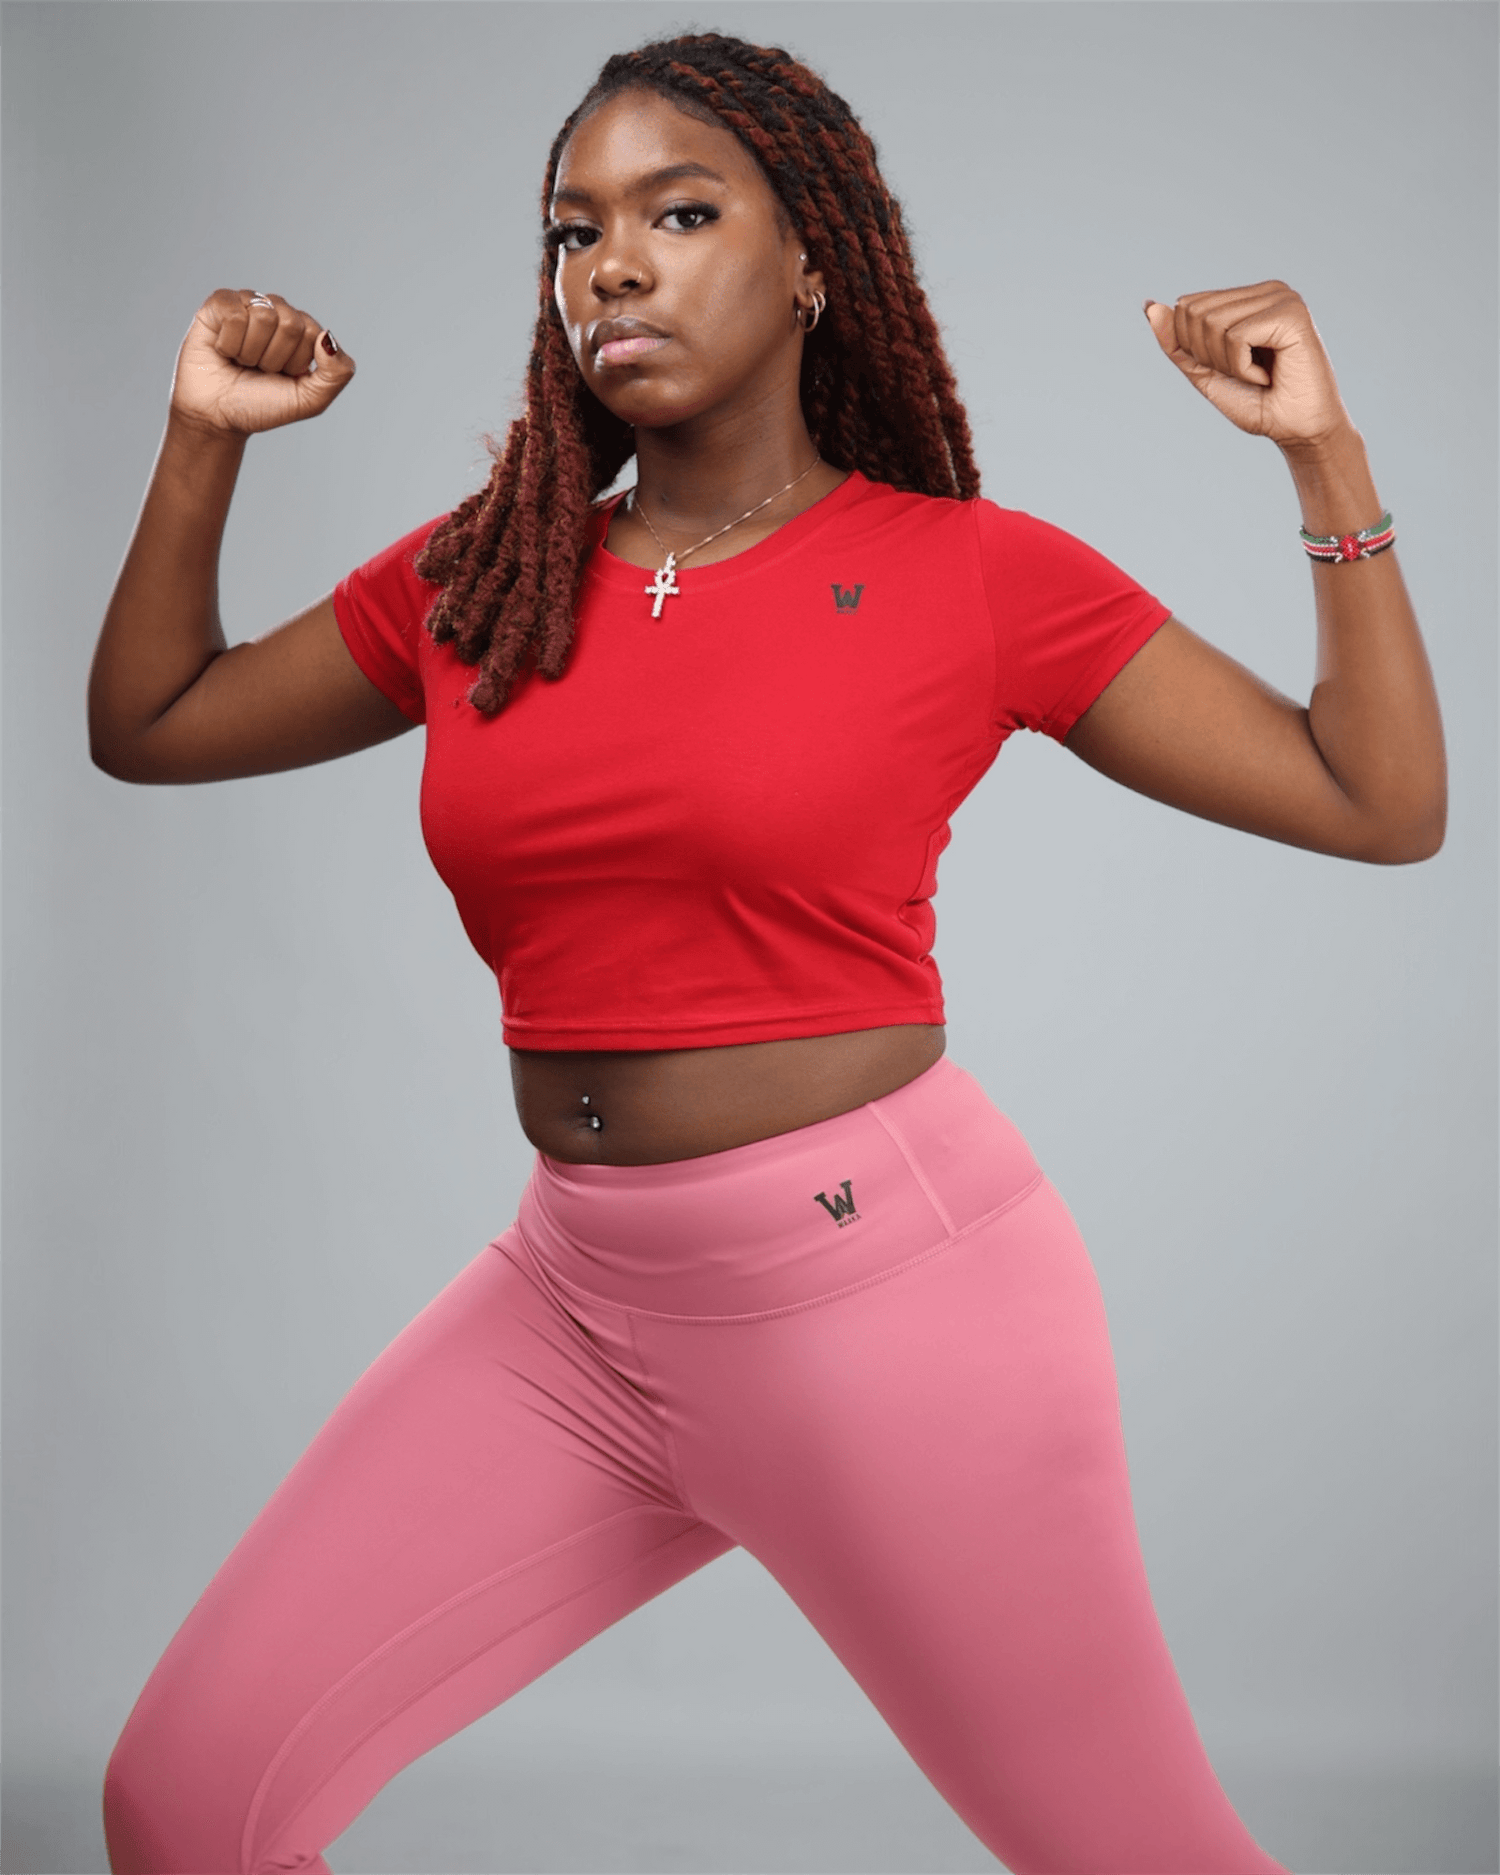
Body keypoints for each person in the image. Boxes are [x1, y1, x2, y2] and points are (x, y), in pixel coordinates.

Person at [90, 31, 1444, 1875]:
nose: (613, 266)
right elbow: (153, 717)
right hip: (573, 1303)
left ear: (812, 258)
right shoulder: (487, 571)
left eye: (681, 212)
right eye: (576, 231)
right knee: (189, 1799)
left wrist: (1324, 457)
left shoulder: (965, 572)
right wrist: (199, 442)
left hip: (892, 1311)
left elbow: (1375, 797)